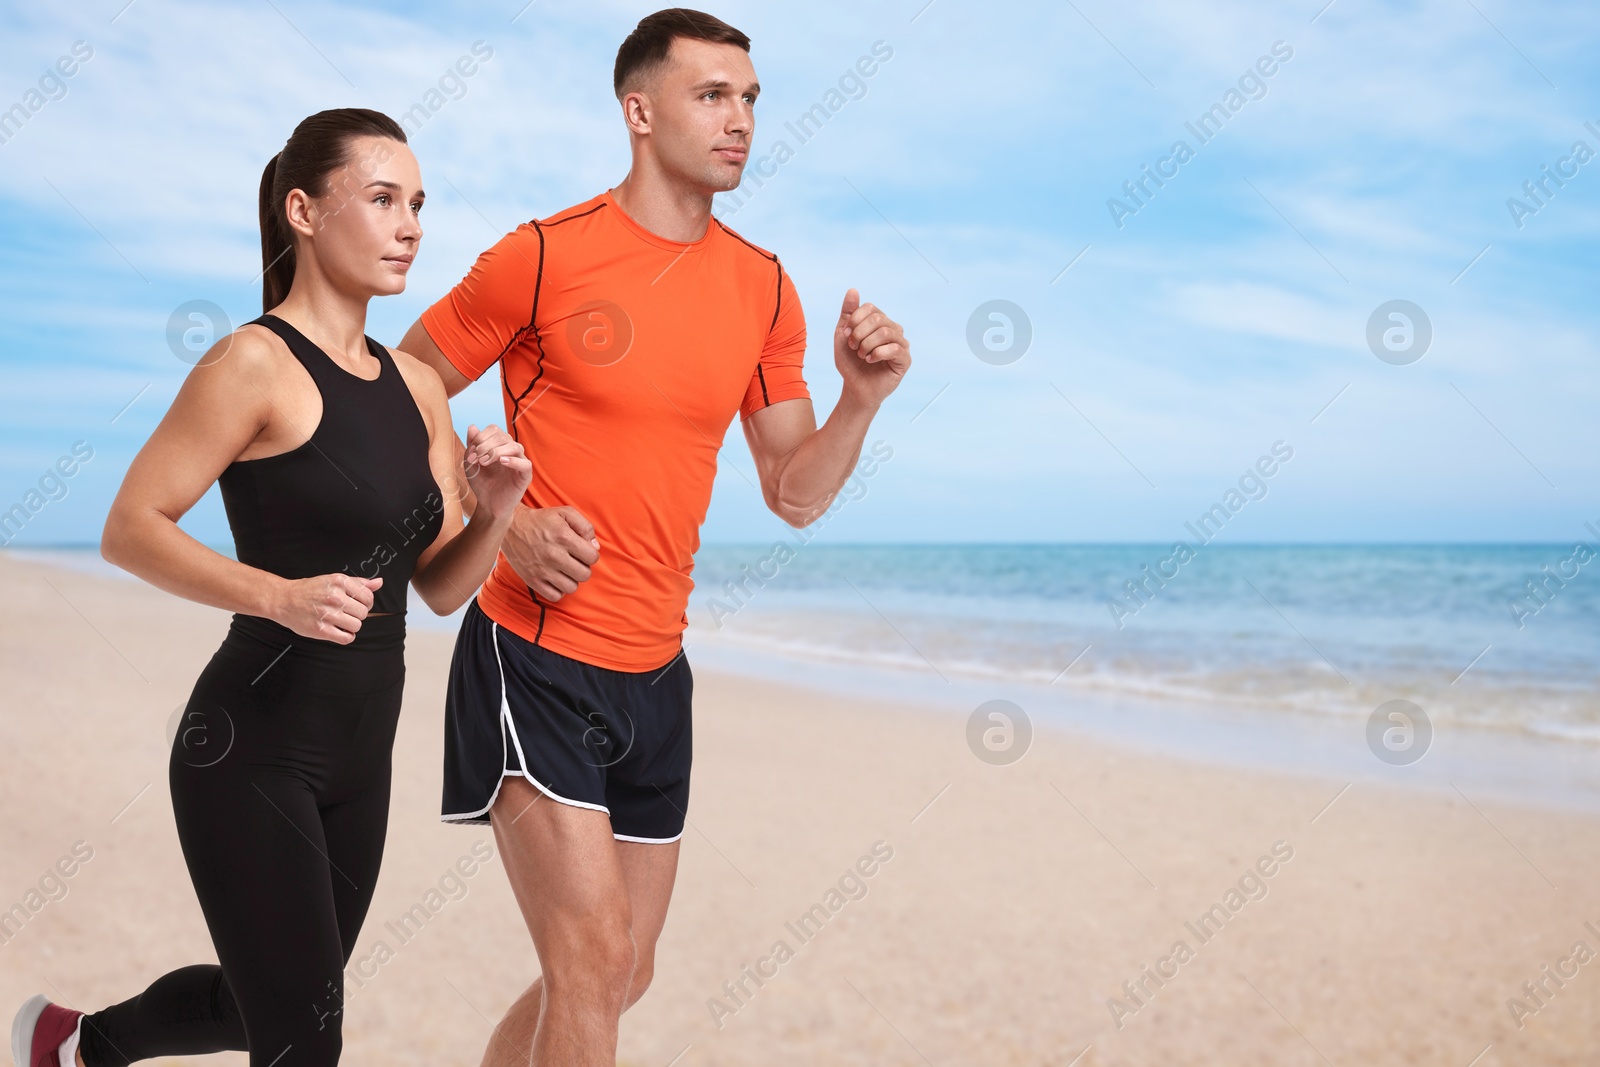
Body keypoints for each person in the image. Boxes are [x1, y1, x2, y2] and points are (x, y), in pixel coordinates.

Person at [396, 9, 912, 1064]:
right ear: (639, 111)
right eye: (712, 95)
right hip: (531, 658)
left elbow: (794, 493)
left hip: (655, 673)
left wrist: (860, 402)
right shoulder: (539, 257)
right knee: (589, 964)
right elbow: (401, 387)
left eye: (751, 99)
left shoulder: (764, 286)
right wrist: (499, 523)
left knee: (618, 972)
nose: (740, 120)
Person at [9, 108, 531, 1067]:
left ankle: (78, 1044)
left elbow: (443, 588)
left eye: (417, 203)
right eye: (382, 199)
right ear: (303, 209)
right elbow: (130, 527)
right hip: (250, 745)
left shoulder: (416, 384)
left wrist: (496, 509)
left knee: (276, 1004)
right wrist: (276, 594)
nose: (410, 223)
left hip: (361, 755)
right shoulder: (251, 362)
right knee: (303, 1038)